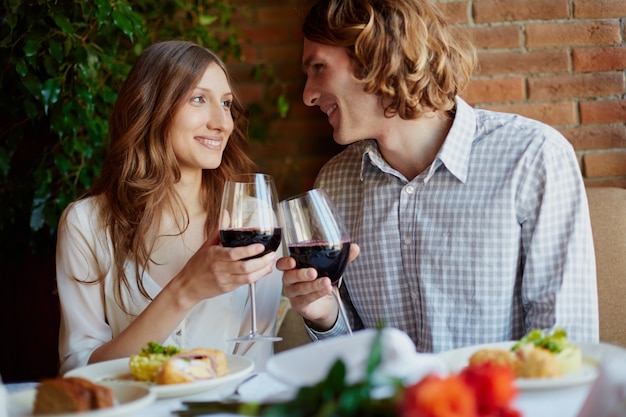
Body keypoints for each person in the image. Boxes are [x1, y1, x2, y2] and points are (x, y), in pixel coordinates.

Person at [277, 0, 599, 352]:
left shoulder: (533, 157)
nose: (307, 95)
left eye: (318, 68)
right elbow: (354, 355)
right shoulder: (335, 183)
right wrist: (324, 314)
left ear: (377, 57)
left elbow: (565, 344)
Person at [56, 40, 282, 374]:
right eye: (198, 99)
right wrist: (185, 289)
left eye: (226, 103)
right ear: (150, 107)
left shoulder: (253, 221)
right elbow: (78, 371)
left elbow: (257, 362)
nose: (222, 122)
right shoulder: (86, 223)